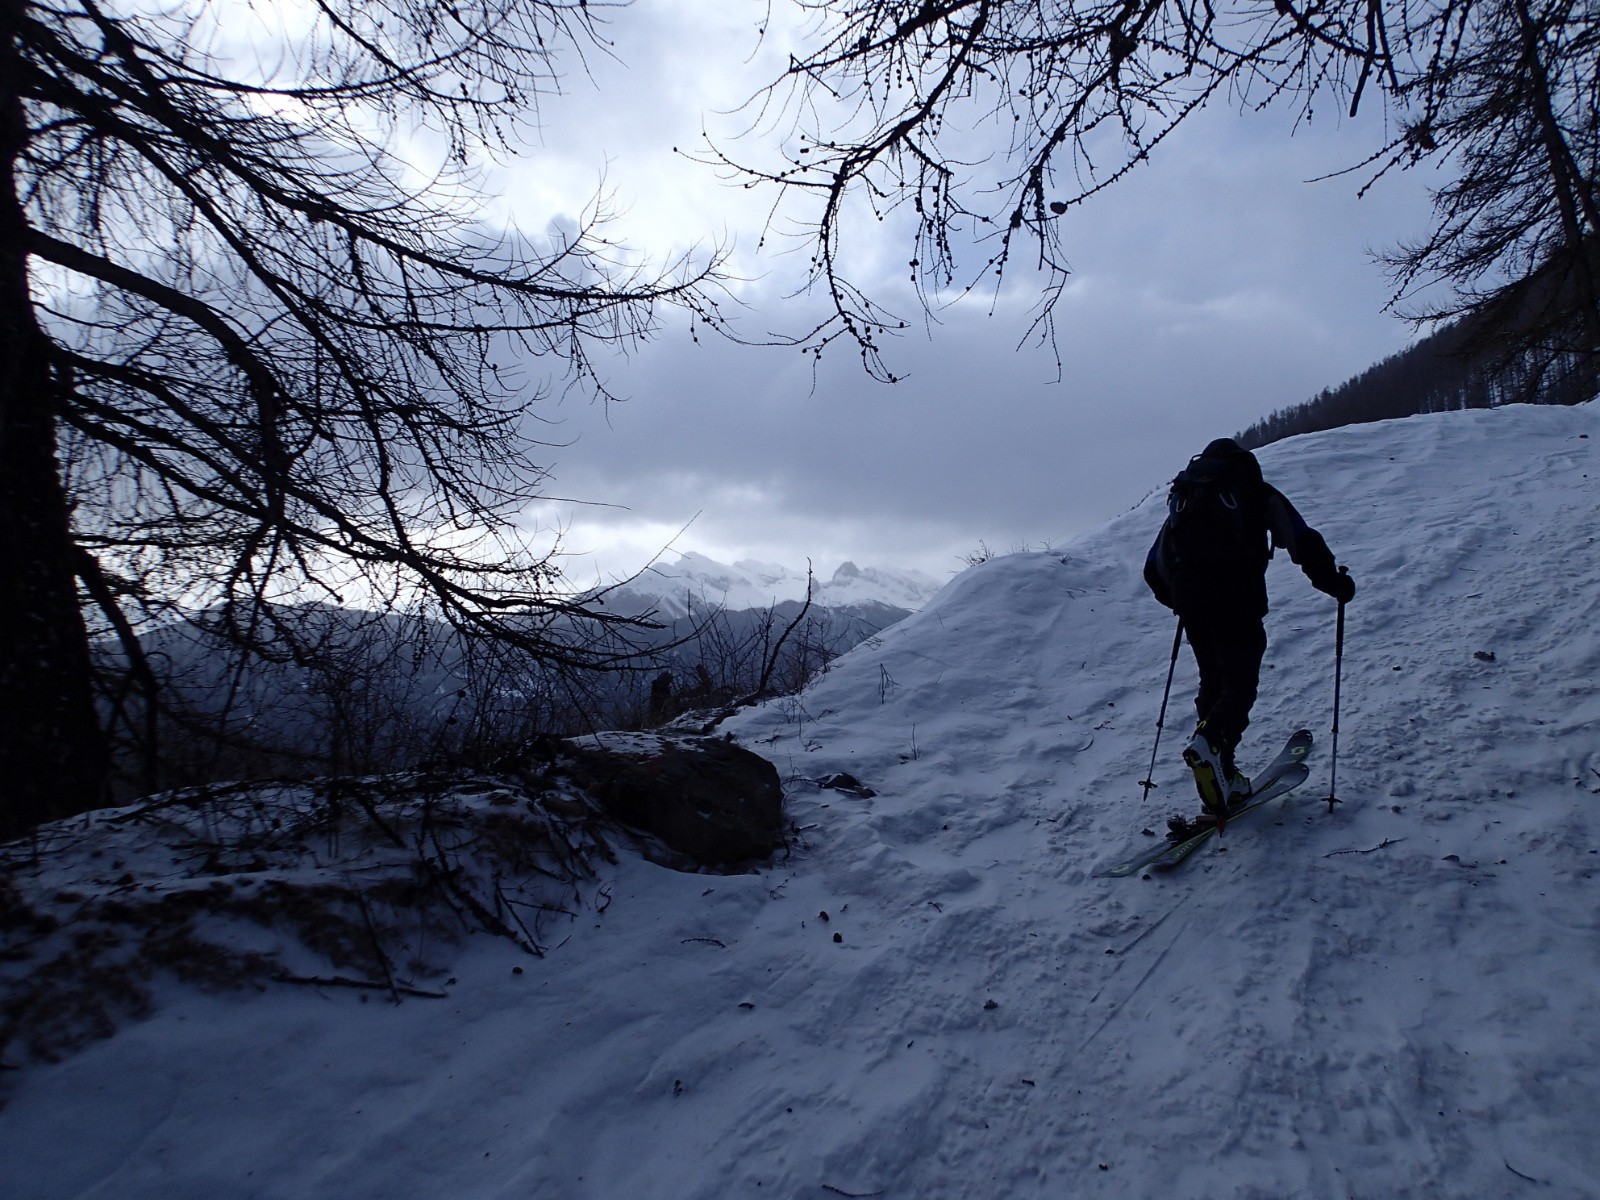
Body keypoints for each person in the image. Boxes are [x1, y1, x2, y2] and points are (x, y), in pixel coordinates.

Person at [1143, 437, 1355, 820]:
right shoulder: (1254, 491)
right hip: (1238, 599)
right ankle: (1210, 744)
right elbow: (1301, 539)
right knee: (1239, 685)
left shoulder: (1185, 499)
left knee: (1214, 682)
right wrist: (1335, 585)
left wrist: (1181, 601)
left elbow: (1153, 567)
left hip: (1194, 605)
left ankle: (1220, 771)